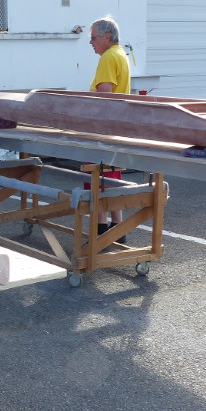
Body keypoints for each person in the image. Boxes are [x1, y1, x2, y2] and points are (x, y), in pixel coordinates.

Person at [89, 17, 131, 242]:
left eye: (93, 37)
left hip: (103, 128)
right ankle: (118, 228)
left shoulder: (107, 57)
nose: (91, 42)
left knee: (98, 177)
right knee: (113, 176)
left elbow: (105, 95)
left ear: (106, 37)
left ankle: (101, 231)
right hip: (117, 126)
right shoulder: (120, 55)